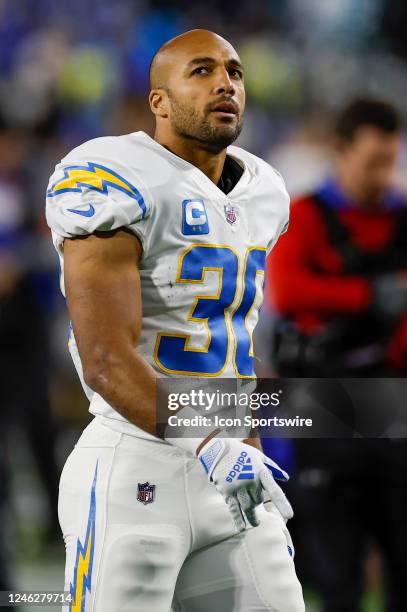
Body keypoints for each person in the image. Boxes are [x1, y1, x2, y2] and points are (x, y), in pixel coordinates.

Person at [45, 29, 304, 612]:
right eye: (202, 70)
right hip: (135, 466)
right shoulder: (111, 173)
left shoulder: (264, 192)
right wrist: (210, 442)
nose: (225, 83)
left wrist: (247, 441)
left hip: (230, 468)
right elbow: (106, 359)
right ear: (159, 100)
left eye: (235, 71)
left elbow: (232, 339)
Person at [266, 98, 407, 611]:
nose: (382, 174)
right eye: (373, 161)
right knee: (335, 574)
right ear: (340, 152)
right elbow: (289, 290)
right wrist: (373, 295)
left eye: (389, 161)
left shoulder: (401, 218)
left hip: (394, 406)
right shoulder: (304, 216)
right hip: (321, 405)